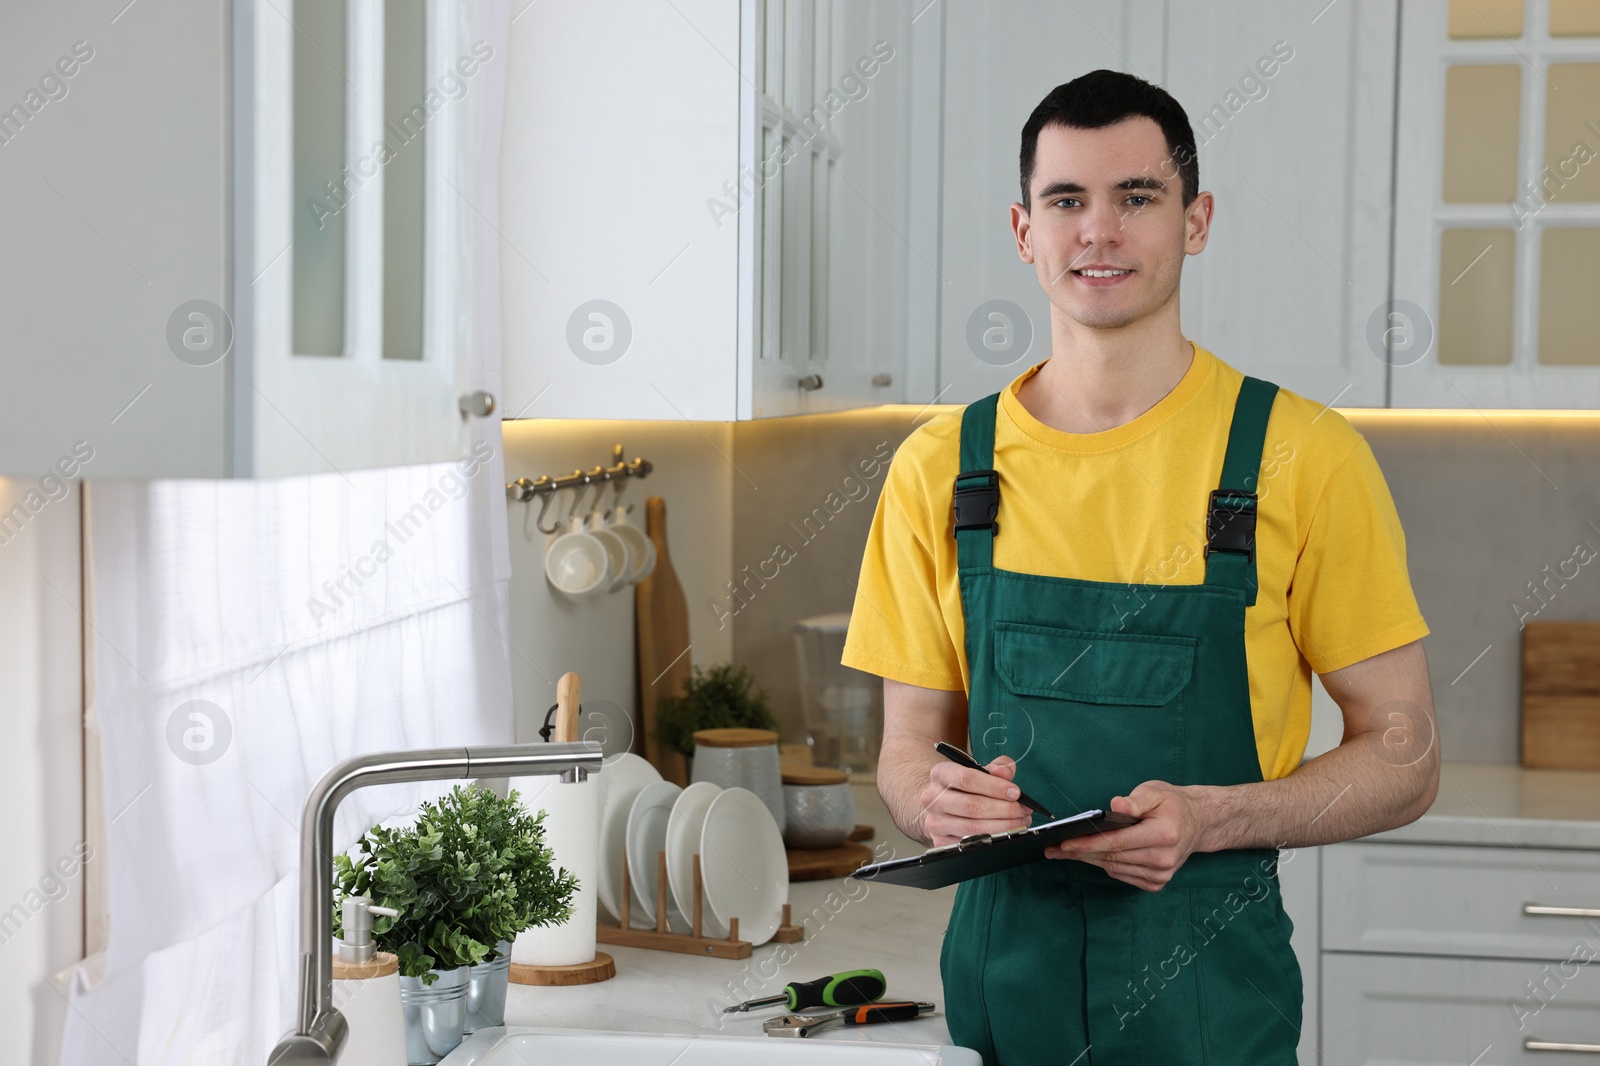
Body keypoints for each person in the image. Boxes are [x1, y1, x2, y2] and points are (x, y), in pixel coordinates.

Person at [841, 69, 1439, 1064]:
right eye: (1065, 200)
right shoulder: (939, 470)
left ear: (1194, 221)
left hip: (1209, 1001)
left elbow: (1405, 755)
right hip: (998, 998)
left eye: (1137, 197)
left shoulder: (1304, 456)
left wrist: (1211, 817)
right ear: (1023, 230)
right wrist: (929, 799)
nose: (1098, 231)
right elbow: (906, 754)